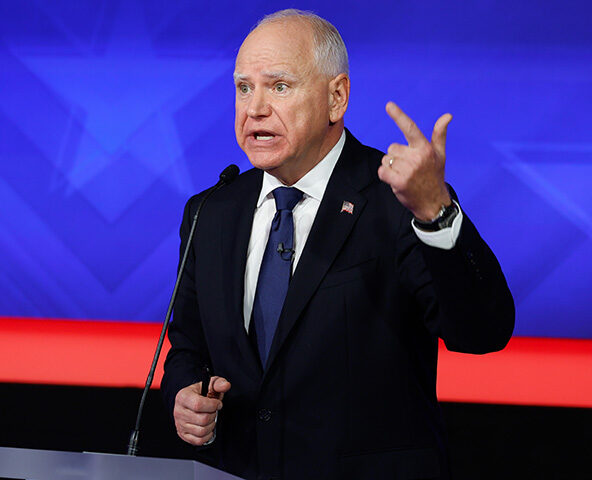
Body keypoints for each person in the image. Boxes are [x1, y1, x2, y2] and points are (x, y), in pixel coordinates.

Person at [161, 9, 514, 480]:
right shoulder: (211, 211)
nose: (255, 108)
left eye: (279, 86)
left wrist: (436, 213)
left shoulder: (396, 199)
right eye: (244, 87)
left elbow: (482, 332)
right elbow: (187, 346)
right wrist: (185, 394)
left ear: (337, 97)